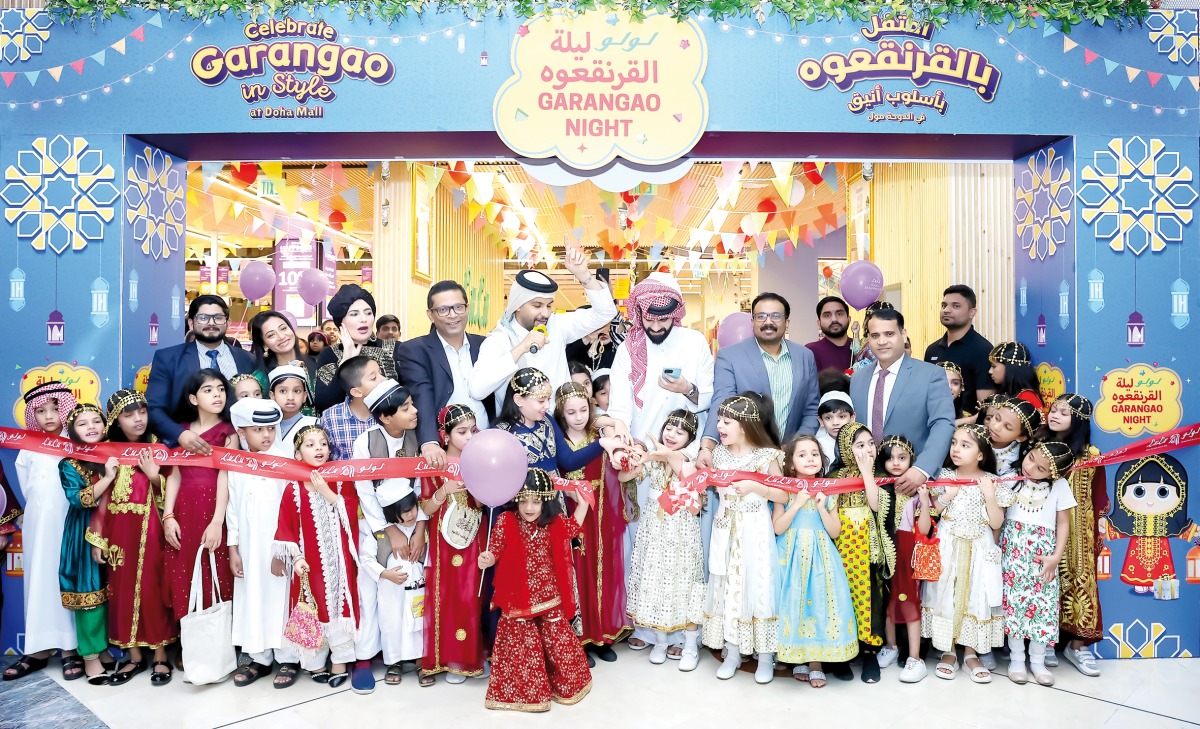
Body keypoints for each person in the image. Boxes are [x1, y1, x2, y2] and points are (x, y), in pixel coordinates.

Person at [606, 271, 712, 652]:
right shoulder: (628, 347)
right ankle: (646, 626)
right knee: (641, 542)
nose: (654, 325)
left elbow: (708, 397)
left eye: (663, 318)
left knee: (683, 545)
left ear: (676, 313)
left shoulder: (695, 341)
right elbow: (619, 403)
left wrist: (686, 389)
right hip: (640, 456)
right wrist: (622, 443)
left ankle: (683, 627)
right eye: (648, 318)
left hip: (683, 457)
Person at [478, 468, 594, 712]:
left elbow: (572, 529)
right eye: (524, 500)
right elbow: (495, 549)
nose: (529, 507)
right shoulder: (505, 520)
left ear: (546, 501)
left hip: (547, 593)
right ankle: (527, 695)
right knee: (521, 643)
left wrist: (582, 503)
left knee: (557, 639)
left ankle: (568, 685)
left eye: (536, 501)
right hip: (516, 595)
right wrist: (487, 559)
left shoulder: (553, 522)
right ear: (515, 499)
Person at [349, 379, 427, 694]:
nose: (415, 411)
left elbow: (422, 487)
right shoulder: (365, 442)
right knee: (370, 590)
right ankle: (365, 658)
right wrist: (389, 530)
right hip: (375, 525)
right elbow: (365, 492)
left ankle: (411, 653)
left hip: (414, 523)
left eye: (412, 404)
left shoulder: (419, 437)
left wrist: (419, 527)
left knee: (412, 589)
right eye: (406, 408)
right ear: (384, 417)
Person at [703, 393, 786, 685]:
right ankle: (733, 652)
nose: (720, 427)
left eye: (727, 422)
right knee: (728, 588)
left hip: (755, 529)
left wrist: (756, 486)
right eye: (719, 421)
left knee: (757, 585)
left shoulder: (767, 455)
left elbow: (782, 494)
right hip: (725, 527)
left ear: (745, 424)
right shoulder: (720, 455)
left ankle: (765, 656)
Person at [470, 247, 616, 409]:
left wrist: (583, 274)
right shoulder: (499, 339)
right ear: (517, 305)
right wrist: (520, 349)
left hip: (561, 428)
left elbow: (605, 313)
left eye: (549, 305)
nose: (545, 313)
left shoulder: (557, 324)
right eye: (537, 305)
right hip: (519, 431)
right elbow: (477, 390)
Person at [96, 390, 176, 686]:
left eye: (142, 412)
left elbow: (172, 490)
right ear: (116, 420)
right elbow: (102, 499)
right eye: (129, 415)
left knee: (153, 589)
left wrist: (155, 476)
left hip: (152, 530)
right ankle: (132, 656)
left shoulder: (159, 446)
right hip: (119, 534)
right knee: (121, 589)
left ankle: (160, 655)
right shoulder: (106, 450)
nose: (137, 419)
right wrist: (98, 539)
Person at [273, 425, 361, 688]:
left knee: (338, 605)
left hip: (339, 564)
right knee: (312, 609)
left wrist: (329, 494)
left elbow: (353, 515)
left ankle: (340, 661)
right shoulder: (294, 489)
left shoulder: (340, 480)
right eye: (310, 445)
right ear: (298, 454)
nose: (319, 449)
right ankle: (315, 662)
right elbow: (286, 527)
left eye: (322, 443)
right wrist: (296, 557)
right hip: (309, 564)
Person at [5, 382, 80, 681]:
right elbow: (28, 489)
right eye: (41, 410)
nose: (49, 416)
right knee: (38, 583)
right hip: (39, 526)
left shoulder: (76, 443)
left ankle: (70, 649)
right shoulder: (29, 446)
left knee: (68, 583)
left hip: (70, 524)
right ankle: (37, 650)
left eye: (54, 408)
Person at [621, 410, 706, 671]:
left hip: (681, 533)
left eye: (680, 432)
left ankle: (690, 644)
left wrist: (666, 456)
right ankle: (659, 641)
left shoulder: (690, 462)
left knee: (685, 582)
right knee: (655, 581)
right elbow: (623, 478)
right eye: (669, 428)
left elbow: (696, 507)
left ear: (690, 438)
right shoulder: (654, 460)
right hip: (654, 532)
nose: (672, 435)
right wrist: (631, 462)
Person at [774, 434, 857, 688]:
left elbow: (835, 531)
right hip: (790, 554)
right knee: (793, 602)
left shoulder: (828, 490)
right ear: (790, 462)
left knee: (819, 602)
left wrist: (821, 506)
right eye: (802, 454)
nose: (809, 458)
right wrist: (796, 504)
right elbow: (778, 527)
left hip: (820, 555)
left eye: (814, 454)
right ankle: (796, 656)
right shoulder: (784, 489)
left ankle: (816, 662)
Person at [226, 398, 299, 689]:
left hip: (278, 549)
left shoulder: (285, 461)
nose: (267, 435)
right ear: (242, 432)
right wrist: (233, 548)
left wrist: (283, 549)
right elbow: (232, 509)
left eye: (271, 427)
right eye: (258, 429)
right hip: (247, 549)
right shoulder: (237, 464)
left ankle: (289, 657)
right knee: (252, 597)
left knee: (280, 599)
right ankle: (259, 658)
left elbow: (292, 510)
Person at [922, 424, 1003, 684]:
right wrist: (947, 495)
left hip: (979, 546)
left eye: (965, 445)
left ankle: (970, 653)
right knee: (947, 594)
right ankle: (948, 650)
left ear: (981, 454)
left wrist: (989, 495)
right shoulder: (944, 475)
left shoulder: (991, 480)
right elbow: (934, 510)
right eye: (954, 443)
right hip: (948, 544)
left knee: (975, 595)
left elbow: (996, 522)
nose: (956, 449)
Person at [554, 382, 628, 663]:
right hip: (571, 509)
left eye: (583, 409)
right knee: (574, 572)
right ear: (561, 413)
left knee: (600, 570)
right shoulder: (559, 439)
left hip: (599, 512)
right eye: (571, 412)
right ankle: (577, 639)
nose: (578, 416)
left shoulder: (599, 433)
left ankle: (600, 635)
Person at [700, 293, 819, 464]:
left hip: (791, 459)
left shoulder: (805, 356)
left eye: (776, 316)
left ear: (787, 322)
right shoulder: (730, 356)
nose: (768, 322)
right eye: (761, 316)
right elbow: (721, 402)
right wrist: (707, 446)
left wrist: (796, 445)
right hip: (745, 459)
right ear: (753, 322)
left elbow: (811, 408)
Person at [850, 307, 955, 496]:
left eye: (889, 334)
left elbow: (943, 423)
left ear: (903, 335)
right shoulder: (857, 379)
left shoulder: (930, 375)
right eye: (875, 335)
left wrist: (922, 469)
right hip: (865, 484)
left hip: (911, 484)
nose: (882, 341)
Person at [161, 370, 237, 629]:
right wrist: (168, 515)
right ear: (193, 398)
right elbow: (174, 475)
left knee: (217, 569)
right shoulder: (181, 432)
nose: (217, 394)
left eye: (221, 389)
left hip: (214, 507)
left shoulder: (228, 433)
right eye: (208, 390)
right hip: (184, 507)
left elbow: (225, 477)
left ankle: (217, 642)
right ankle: (189, 641)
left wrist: (217, 521)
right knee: (183, 570)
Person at [419, 405, 486, 687]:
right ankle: (449, 659)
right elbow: (426, 507)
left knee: (471, 596)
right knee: (446, 597)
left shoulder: (480, 462)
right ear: (445, 436)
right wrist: (443, 490)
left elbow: (485, 503)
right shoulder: (434, 465)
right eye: (462, 432)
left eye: (473, 430)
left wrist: (477, 485)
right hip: (442, 544)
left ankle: (469, 658)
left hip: (473, 540)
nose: (469, 436)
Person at [397, 280, 494, 470]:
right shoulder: (415, 350)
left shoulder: (486, 345)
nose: (452, 315)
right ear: (430, 315)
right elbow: (421, 393)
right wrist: (429, 441)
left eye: (458, 307)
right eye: (443, 310)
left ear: (467, 308)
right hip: (447, 453)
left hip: (489, 444)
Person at [1001, 442, 1076, 687]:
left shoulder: (1060, 487)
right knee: (1014, 606)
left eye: (1041, 468)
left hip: (1042, 557)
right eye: (1031, 458)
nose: (1031, 467)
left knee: (1041, 607)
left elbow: (1063, 523)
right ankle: (1016, 659)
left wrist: (1056, 556)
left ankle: (1038, 661)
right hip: (1012, 554)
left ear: (1053, 475)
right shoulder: (1010, 478)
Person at [1044, 393, 1106, 675]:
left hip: (1079, 531)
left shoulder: (1090, 455)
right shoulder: (1041, 448)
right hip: (1044, 525)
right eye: (1053, 410)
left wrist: (1098, 528)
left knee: (1081, 582)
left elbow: (1099, 494)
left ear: (1078, 421)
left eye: (1063, 413)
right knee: (1044, 581)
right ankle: (1044, 641)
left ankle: (1077, 646)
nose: (1054, 415)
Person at [57, 404, 117, 684]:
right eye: (82, 423)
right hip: (83, 533)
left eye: (96, 421)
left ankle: (102, 648)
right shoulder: (68, 463)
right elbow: (79, 499)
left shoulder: (113, 453)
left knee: (110, 591)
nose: (91, 427)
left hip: (114, 528)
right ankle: (90, 657)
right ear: (72, 430)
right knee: (89, 593)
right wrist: (108, 478)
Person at [146, 295, 255, 450]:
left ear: (228, 322)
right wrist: (180, 434)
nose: (211, 323)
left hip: (239, 451)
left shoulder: (248, 359)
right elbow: (154, 408)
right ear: (191, 323)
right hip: (187, 451)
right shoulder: (168, 359)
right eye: (203, 318)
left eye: (218, 317)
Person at [826, 422, 889, 683]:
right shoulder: (835, 476)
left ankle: (869, 651)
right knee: (842, 596)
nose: (867, 450)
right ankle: (842, 654)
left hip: (869, 546)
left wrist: (866, 473)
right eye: (859, 445)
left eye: (870, 444)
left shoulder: (879, 473)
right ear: (845, 448)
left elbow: (876, 505)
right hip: (843, 545)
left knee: (870, 597)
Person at [874, 435, 932, 683]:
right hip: (887, 549)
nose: (896, 463)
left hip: (909, 550)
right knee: (889, 602)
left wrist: (926, 501)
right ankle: (891, 647)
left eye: (902, 457)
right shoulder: (881, 486)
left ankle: (915, 658)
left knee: (909, 602)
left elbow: (926, 528)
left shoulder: (917, 492)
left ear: (912, 460)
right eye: (889, 458)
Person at [1103, 454, 1197, 593]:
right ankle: (1140, 584)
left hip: (1162, 554)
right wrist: (1103, 527)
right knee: (1137, 569)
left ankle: (1157, 585)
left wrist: (1194, 531)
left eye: (1163, 492)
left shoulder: (1168, 523)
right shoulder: (1130, 522)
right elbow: (1121, 530)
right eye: (1139, 491)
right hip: (1136, 554)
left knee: (1161, 572)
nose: (1150, 501)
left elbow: (1178, 531)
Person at [364, 480, 425, 683]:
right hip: (391, 590)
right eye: (404, 512)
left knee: (418, 622)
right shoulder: (380, 533)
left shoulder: (420, 530)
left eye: (412, 509)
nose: (411, 515)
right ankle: (393, 663)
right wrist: (385, 574)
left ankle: (421, 662)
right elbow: (366, 558)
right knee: (392, 623)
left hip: (417, 587)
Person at [314, 284, 402, 411]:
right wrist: (345, 363)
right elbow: (323, 405)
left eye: (368, 313)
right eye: (354, 314)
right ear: (341, 322)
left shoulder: (397, 349)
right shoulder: (329, 354)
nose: (363, 319)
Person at [923, 285, 996, 411]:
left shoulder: (983, 350)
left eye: (955, 306)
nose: (946, 310)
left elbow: (986, 408)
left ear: (972, 312)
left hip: (967, 428)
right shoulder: (932, 350)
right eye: (944, 305)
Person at [318, 356, 384, 462]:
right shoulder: (330, 417)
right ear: (356, 392)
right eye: (373, 378)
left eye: (381, 373)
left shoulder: (388, 413)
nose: (384, 380)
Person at [249, 310, 316, 400]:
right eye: (271, 335)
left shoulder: (316, 365)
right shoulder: (260, 379)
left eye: (283, 328)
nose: (281, 336)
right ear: (264, 344)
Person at [267, 364, 318, 458]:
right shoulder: (264, 426)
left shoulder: (315, 424)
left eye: (296, 391)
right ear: (272, 396)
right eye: (283, 391)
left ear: (304, 396)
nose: (290, 397)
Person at [989, 396, 1041, 478]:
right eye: (997, 418)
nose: (996, 427)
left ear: (1021, 437)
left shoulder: (1018, 458)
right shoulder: (975, 434)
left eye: (1007, 427)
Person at [805, 296, 854, 373]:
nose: (834, 319)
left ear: (849, 319)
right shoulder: (810, 352)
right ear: (819, 323)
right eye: (827, 315)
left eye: (839, 314)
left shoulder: (861, 349)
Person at [988, 342, 1043, 409]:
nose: (990, 371)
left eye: (994, 366)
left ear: (1010, 368)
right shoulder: (1006, 393)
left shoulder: (1027, 397)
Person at [815, 391, 855, 472]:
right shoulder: (817, 446)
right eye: (828, 418)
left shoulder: (861, 443)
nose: (835, 423)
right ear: (821, 421)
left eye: (841, 416)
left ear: (852, 418)